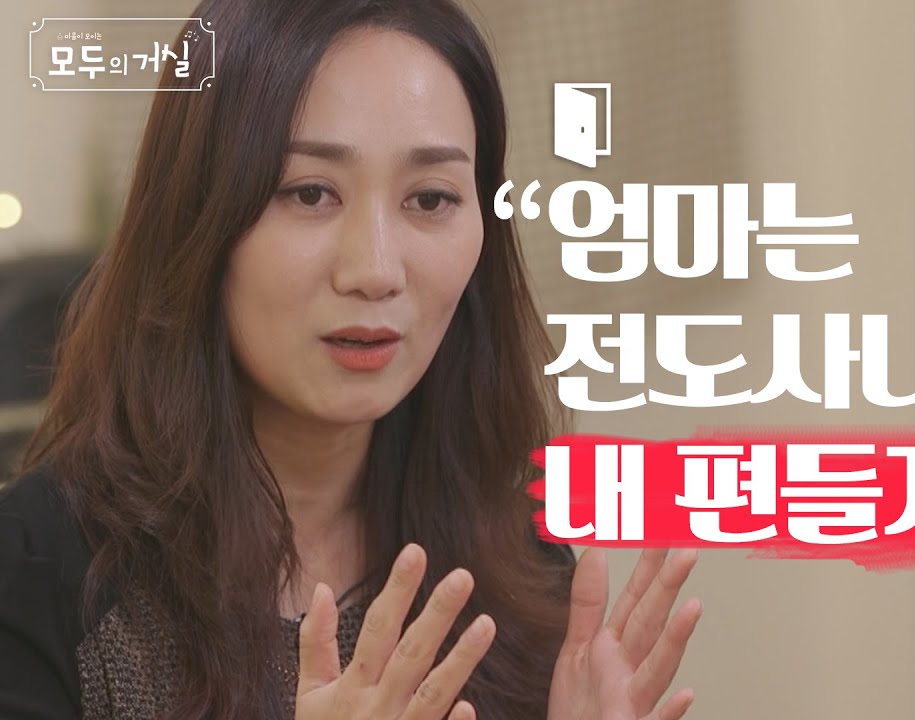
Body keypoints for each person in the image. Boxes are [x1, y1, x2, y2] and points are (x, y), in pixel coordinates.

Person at [0, 1, 702, 718]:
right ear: (196, 216)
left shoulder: (517, 563)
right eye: (311, 193)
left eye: (430, 199)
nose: (375, 270)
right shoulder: (35, 574)